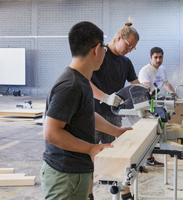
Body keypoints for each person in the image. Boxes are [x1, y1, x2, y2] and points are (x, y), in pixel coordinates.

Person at [40, 21, 132, 200]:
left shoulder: (81, 81)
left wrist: (117, 131)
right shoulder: (70, 85)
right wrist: (91, 148)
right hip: (65, 175)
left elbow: (87, 115)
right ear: (97, 49)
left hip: (75, 172)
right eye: (105, 48)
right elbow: (51, 132)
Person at [89, 21, 143, 200]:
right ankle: (88, 194)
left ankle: (123, 192)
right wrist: (104, 97)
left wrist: (147, 96)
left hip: (114, 116)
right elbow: (84, 80)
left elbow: (136, 85)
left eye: (133, 48)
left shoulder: (126, 62)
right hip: (93, 114)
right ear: (119, 37)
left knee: (117, 154)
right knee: (90, 155)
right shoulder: (98, 54)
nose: (129, 50)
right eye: (129, 46)